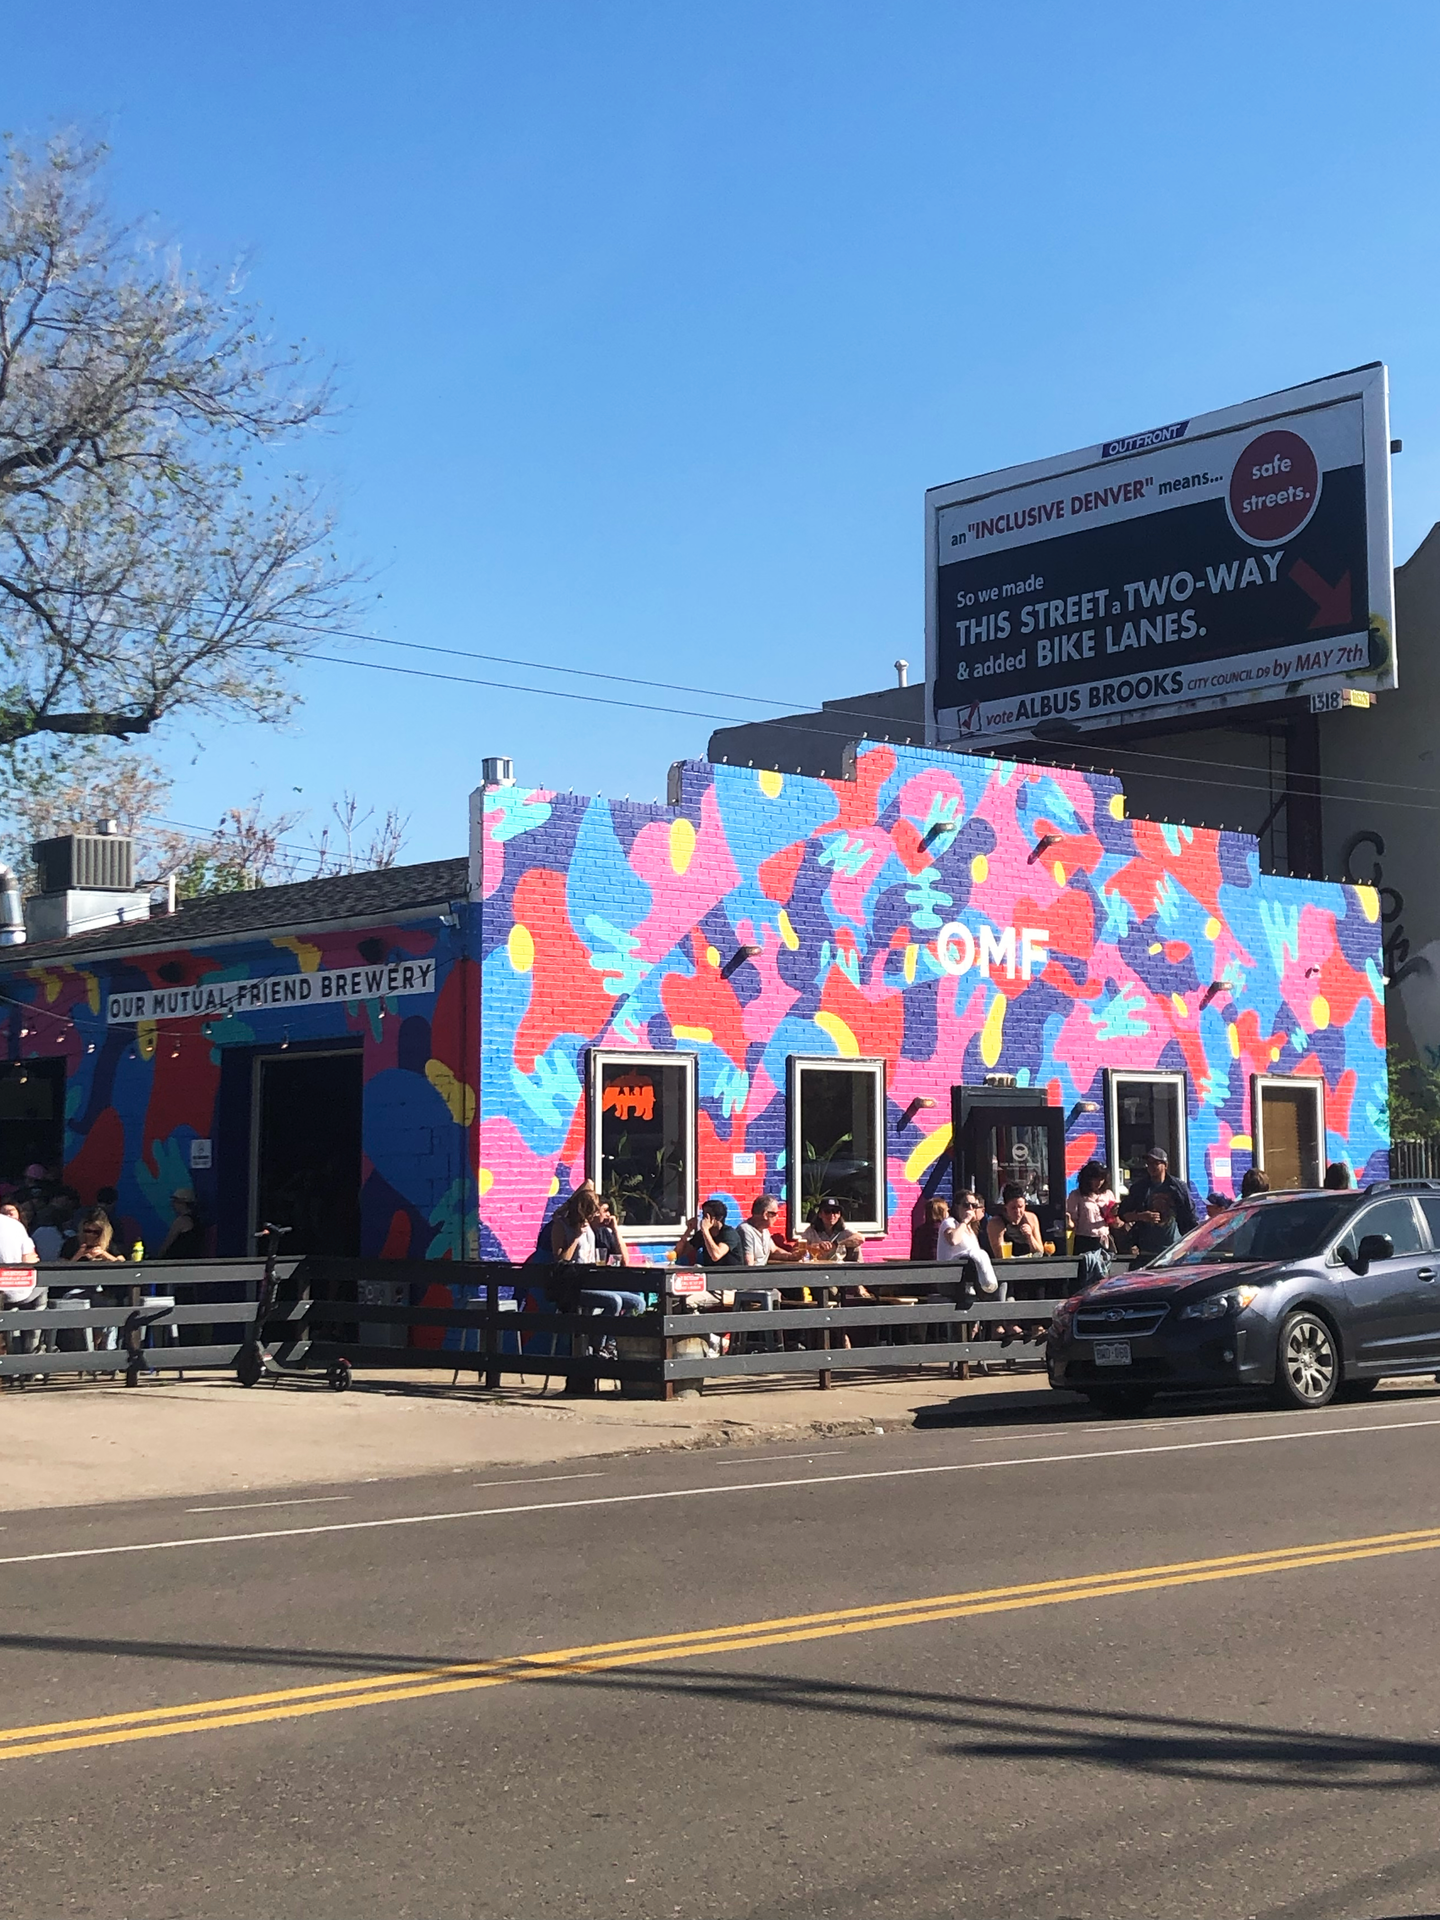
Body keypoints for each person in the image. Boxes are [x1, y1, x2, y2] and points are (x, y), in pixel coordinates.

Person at [1119, 1146, 1197, 1237]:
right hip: (1147, 1246)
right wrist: (1141, 1216)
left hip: (1174, 1246)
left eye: (1156, 1163)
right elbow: (1123, 1214)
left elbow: (1191, 1215)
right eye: (1149, 1163)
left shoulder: (1178, 1187)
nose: (1152, 1167)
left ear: (1165, 1165)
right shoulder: (1139, 1188)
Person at [1066, 1162, 1118, 1256]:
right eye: (1095, 1179)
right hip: (1085, 1240)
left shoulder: (1108, 1194)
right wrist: (1069, 1222)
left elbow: (1113, 1221)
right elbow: (1073, 1222)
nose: (1099, 1183)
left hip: (1104, 1239)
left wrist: (1114, 1214)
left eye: (1102, 1179)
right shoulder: (1076, 1195)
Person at [676, 1198, 744, 1269]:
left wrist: (705, 1230)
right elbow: (678, 1253)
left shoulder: (729, 1233)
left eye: (708, 1216)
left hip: (731, 1274)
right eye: (704, 1215)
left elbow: (716, 1255)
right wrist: (688, 1230)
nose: (704, 1219)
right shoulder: (702, 1234)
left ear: (719, 1218)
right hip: (711, 1274)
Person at [985, 1183, 1045, 1260]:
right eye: (1013, 1208)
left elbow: (1040, 1252)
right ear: (1005, 1206)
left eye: (1021, 1207)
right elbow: (999, 1256)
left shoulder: (1031, 1218)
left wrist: (1030, 1236)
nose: (1017, 1211)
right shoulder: (996, 1223)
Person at [801, 1197, 864, 1262]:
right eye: (827, 1211)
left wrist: (836, 1244)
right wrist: (815, 1246)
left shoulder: (845, 1228)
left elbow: (860, 1238)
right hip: (819, 1268)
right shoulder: (812, 1230)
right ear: (820, 1214)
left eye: (835, 1211)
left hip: (842, 1268)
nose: (832, 1215)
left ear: (839, 1215)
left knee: (855, 1247)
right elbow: (798, 1248)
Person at [1130, 1185, 1181, 1261]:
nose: (1159, 1205)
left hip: (1170, 1259)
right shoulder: (1144, 1221)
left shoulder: (1176, 1222)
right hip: (1147, 1259)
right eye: (1155, 1200)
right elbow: (1129, 1241)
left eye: (1163, 1200)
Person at [157, 1187, 204, 1260]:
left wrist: (157, 1259)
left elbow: (167, 1244)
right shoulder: (198, 1221)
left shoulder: (181, 1221)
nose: (173, 1205)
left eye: (175, 1202)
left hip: (176, 1260)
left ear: (182, 1203)